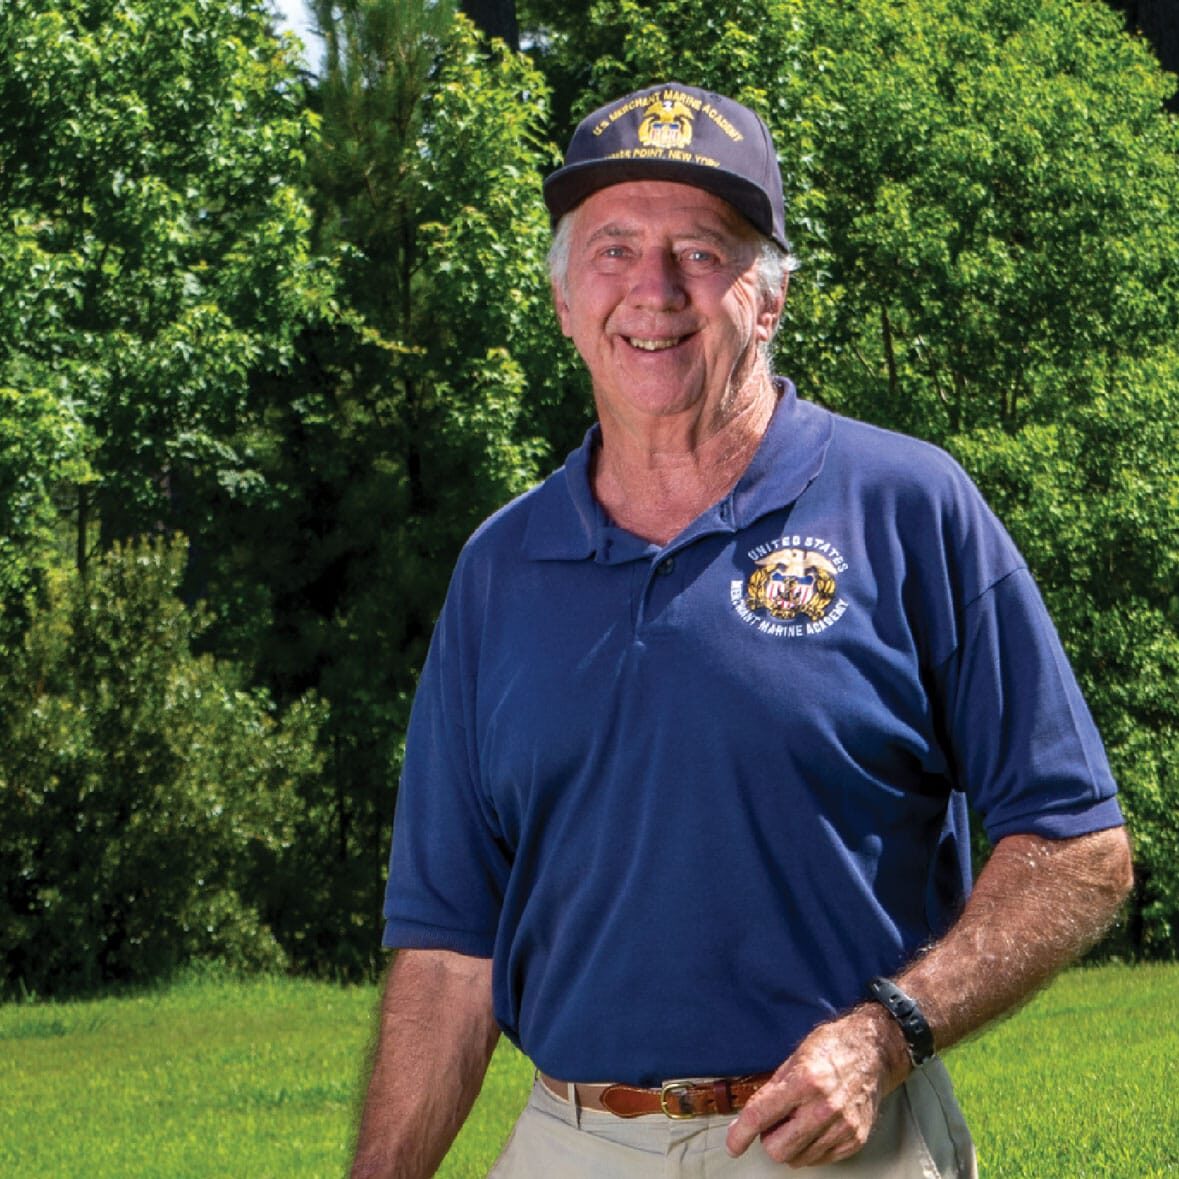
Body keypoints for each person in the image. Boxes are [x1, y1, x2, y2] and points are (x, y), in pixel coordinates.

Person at [350, 82, 1134, 1178]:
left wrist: (888, 1034)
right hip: (575, 1143)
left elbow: (1079, 849)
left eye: (702, 252)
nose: (654, 291)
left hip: (834, 1139)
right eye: (614, 249)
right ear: (567, 298)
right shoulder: (501, 569)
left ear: (766, 298)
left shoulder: (907, 506)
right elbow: (447, 952)